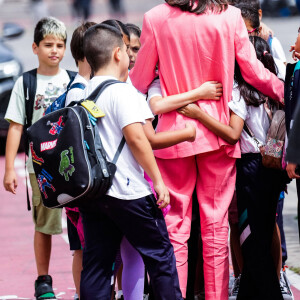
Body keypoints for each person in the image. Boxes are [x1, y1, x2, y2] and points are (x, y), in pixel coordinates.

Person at [130, 1, 284, 299]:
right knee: (216, 229)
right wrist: (288, 92)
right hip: (217, 132)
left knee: (175, 230)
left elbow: (139, 79)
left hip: (174, 135)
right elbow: (253, 72)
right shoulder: (229, 16)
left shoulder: (155, 17)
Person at [178, 36, 290, 300]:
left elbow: (232, 133)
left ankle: (271, 294)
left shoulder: (241, 92)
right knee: (260, 233)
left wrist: (199, 115)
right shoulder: (275, 89)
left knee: (251, 241)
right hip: (273, 165)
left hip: (251, 170)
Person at [79, 23, 183, 300]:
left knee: (97, 266)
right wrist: (158, 181)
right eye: (127, 49)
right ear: (117, 54)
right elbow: (137, 139)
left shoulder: (79, 93)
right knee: (160, 257)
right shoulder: (122, 92)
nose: (129, 54)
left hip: (93, 192)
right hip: (128, 191)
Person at [3, 17, 70, 300]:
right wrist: (9, 169)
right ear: (34, 47)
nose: (54, 50)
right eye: (48, 45)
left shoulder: (72, 79)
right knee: (44, 224)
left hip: (71, 164)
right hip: (39, 167)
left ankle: (88, 274)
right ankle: (43, 280)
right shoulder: (26, 82)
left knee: (81, 223)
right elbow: (16, 126)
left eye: (59, 45)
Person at [64, 21, 96, 300]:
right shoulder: (78, 90)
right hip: (82, 187)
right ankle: (80, 294)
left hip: (84, 186)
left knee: (88, 248)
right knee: (83, 248)